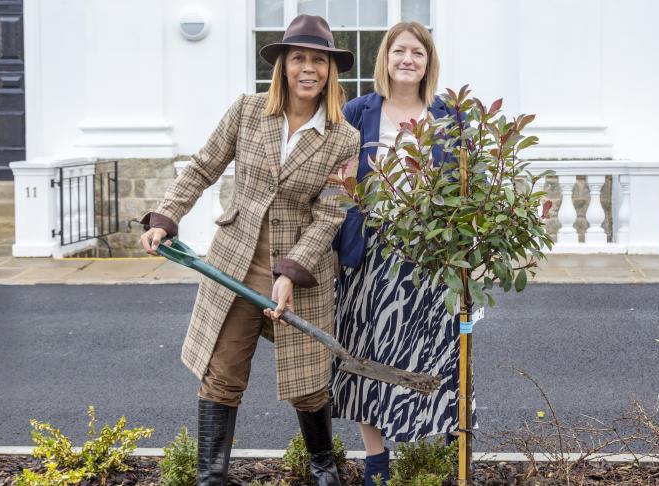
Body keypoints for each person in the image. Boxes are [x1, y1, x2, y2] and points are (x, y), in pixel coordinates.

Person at [139, 14, 359, 486]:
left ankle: (322, 464)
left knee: (309, 383)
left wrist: (290, 271)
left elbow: (330, 215)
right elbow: (202, 167)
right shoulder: (247, 111)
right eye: (298, 57)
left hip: (300, 274)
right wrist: (165, 217)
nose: (308, 68)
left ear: (330, 70)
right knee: (222, 376)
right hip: (235, 266)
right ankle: (210, 476)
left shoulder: (344, 136)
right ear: (282, 65)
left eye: (318, 60)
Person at [331, 21, 476, 486]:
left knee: (434, 352)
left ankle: (435, 451)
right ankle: (376, 462)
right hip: (369, 254)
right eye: (399, 51)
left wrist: (466, 249)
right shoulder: (357, 112)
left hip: (431, 255)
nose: (407, 59)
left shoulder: (449, 117)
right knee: (366, 354)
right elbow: (335, 182)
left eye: (417, 51)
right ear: (386, 59)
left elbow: (465, 189)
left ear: (428, 61)